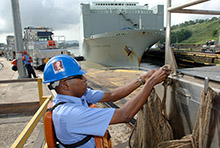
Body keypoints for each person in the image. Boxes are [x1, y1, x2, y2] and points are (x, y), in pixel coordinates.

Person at [43, 55, 171, 148]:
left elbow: (112, 95)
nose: (85, 79)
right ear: (65, 85)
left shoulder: (77, 96)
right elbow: (125, 115)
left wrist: (142, 79)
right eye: (80, 77)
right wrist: (152, 82)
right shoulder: (70, 114)